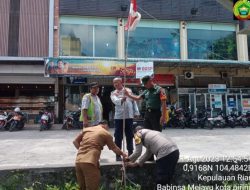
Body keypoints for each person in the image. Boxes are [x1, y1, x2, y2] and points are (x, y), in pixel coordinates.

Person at [73, 120, 127, 190]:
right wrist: (123, 154)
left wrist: (83, 151)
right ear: (106, 126)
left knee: (82, 188)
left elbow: (75, 142)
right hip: (90, 163)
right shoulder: (105, 133)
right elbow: (114, 148)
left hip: (78, 162)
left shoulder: (87, 129)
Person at [110, 77, 140, 161]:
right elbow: (115, 101)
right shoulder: (113, 93)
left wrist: (136, 112)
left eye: (117, 82)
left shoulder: (128, 90)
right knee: (118, 136)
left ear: (121, 82)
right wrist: (122, 99)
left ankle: (130, 152)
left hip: (129, 116)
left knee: (130, 135)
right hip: (119, 117)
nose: (115, 84)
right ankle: (118, 154)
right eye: (114, 83)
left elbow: (133, 101)